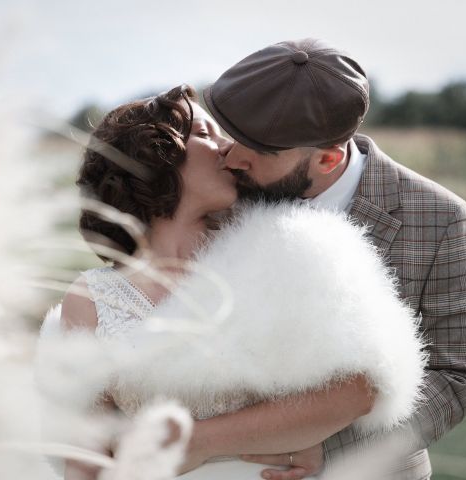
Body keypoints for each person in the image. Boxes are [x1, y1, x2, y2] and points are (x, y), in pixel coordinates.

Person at [40, 82, 427, 480]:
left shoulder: (286, 252)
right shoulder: (92, 299)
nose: (229, 148)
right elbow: (85, 461)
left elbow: (359, 388)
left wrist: (199, 440)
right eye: (207, 135)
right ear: (155, 156)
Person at [186, 37, 466, 480]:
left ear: (328, 158)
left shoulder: (440, 216)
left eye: (260, 150)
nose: (232, 156)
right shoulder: (225, 197)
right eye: (234, 136)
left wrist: (321, 449)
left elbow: (457, 374)